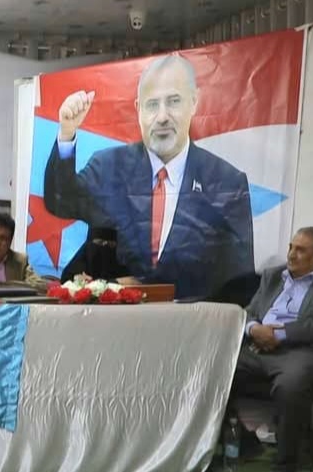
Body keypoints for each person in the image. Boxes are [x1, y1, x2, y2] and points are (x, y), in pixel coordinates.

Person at [43, 54, 253, 300]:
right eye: (152, 104)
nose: (162, 117)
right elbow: (60, 200)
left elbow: (239, 284)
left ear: (194, 102)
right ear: (138, 109)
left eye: (173, 101)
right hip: (117, 320)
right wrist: (67, 133)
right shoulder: (109, 167)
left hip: (191, 319)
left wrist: (146, 287)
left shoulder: (227, 183)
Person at [232, 227, 313, 472]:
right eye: (291, 247)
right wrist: (254, 328)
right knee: (215, 371)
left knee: (291, 384)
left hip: (302, 351)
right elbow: (250, 311)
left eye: (300, 250)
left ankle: (286, 461)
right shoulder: (272, 276)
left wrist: (281, 334)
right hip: (257, 347)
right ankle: (245, 443)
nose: (291, 254)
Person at [60, 226, 133, 283]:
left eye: (110, 245)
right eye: (100, 243)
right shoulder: (75, 269)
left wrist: (96, 282)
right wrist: (77, 280)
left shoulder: (120, 268)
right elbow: (66, 281)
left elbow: (132, 281)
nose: (105, 248)